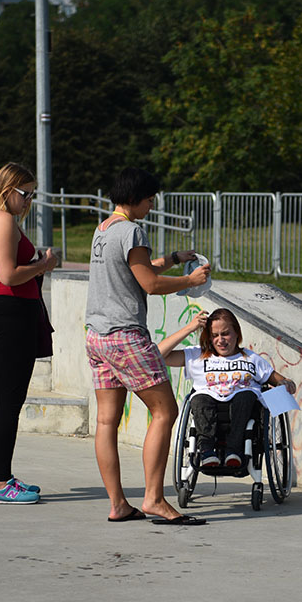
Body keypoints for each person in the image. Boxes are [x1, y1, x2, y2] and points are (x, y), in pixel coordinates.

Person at [86, 166, 210, 525]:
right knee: (165, 412)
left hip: (97, 336)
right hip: (125, 335)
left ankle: (118, 504)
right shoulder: (133, 231)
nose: (153, 205)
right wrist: (190, 279)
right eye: (150, 198)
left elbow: (134, 271)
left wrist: (173, 259)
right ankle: (154, 499)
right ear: (137, 198)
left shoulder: (103, 229)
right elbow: (151, 284)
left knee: (107, 420)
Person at [0, 162, 58, 504]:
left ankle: (1, 475)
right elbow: (8, 275)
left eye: (33, 194)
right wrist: (44, 264)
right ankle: (0, 483)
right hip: (9, 315)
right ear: (7, 191)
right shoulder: (3, 221)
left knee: (0, 401)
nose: (29, 201)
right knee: (9, 402)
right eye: (25, 194)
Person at [158, 308, 296, 469]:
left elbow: (279, 379)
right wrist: (190, 328)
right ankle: (207, 450)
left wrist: (286, 383)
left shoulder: (251, 358)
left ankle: (234, 451)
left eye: (225, 334)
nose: (220, 340)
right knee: (199, 398)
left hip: (243, 408)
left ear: (237, 333)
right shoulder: (197, 355)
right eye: (215, 335)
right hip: (207, 404)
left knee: (245, 395)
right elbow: (158, 354)